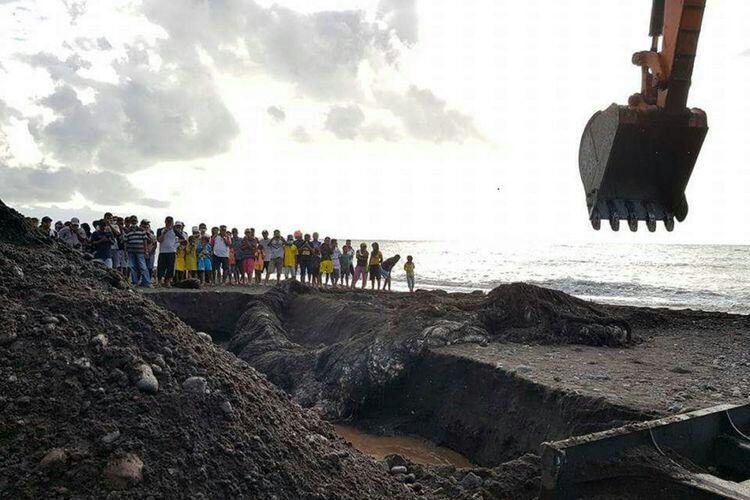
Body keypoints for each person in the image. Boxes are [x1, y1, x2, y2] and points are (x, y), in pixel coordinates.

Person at [123, 219, 152, 287]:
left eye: (135, 221)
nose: (133, 222)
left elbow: (145, 241)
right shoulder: (127, 231)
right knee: (132, 267)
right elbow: (125, 243)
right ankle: (134, 282)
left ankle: (147, 283)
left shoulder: (141, 230)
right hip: (131, 252)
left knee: (143, 267)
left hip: (140, 251)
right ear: (131, 222)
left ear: (136, 222)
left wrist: (146, 251)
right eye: (132, 221)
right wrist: (125, 252)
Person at [156, 216, 182, 287]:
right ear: (165, 222)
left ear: (172, 222)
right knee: (161, 267)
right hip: (162, 251)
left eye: (170, 222)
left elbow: (183, 239)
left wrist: (175, 243)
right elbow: (159, 240)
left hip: (171, 251)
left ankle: (167, 282)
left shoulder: (175, 230)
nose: (169, 223)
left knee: (170, 267)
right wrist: (164, 233)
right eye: (168, 221)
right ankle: (159, 282)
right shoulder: (160, 230)